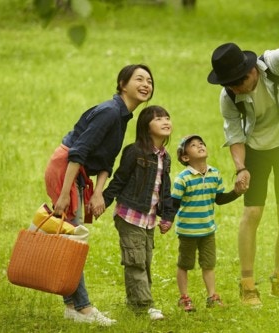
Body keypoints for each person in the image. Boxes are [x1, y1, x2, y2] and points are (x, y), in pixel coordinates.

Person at [207, 8, 279, 306]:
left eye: (239, 81)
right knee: (251, 213)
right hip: (256, 150)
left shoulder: (272, 64)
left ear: (252, 69)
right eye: (230, 84)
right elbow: (235, 135)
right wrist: (240, 169)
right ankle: (247, 284)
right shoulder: (228, 95)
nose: (237, 88)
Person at [44, 64, 154, 325]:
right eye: (139, 79)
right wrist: (63, 195)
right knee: (74, 241)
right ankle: (83, 308)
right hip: (67, 169)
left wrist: (99, 194)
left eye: (149, 80)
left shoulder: (123, 115)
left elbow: (108, 159)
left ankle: (72, 306)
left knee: (71, 238)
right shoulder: (109, 112)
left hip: (79, 173)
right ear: (122, 84)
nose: (146, 84)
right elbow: (77, 151)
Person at [102, 105, 176, 321]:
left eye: (167, 117)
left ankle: (135, 303)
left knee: (143, 261)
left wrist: (168, 216)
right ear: (146, 126)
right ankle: (146, 305)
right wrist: (102, 201)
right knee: (135, 260)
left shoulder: (165, 157)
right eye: (158, 118)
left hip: (149, 219)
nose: (165, 121)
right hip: (130, 215)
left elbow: (165, 190)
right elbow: (120, 179)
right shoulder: (135, 151)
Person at [165, 134, 243, 312]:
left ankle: (212, 296)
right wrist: (167, 221)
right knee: (184, 264)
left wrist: (236, 192)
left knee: (208, 264)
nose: (200, 146)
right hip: (187, 232)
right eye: (193, 145)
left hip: (208, 230)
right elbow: (173, 204)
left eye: (201, 143)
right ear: (185, 157)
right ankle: (184, 297)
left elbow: (220, 199)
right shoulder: (182, 179)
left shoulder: (214, 174)